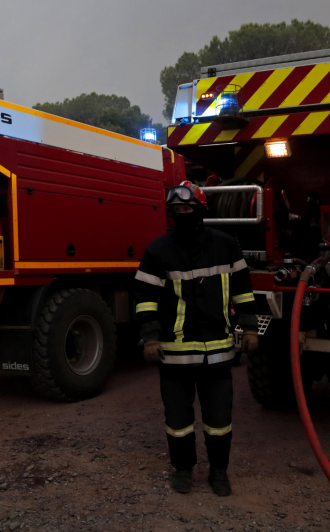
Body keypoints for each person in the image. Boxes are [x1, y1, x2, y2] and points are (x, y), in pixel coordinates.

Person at [134, 181, 260, 496]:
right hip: (174, 355)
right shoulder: (158, 251)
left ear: (200, 210)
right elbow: (145, 297)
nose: (182, 214)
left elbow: (243, 290)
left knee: (219, 420)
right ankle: (183, 470)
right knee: (178, 420)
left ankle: (219, 472)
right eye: (176, 210)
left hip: (217, 353)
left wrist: (251, 327)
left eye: (187, 209)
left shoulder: (226, 245)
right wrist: (149, 337)